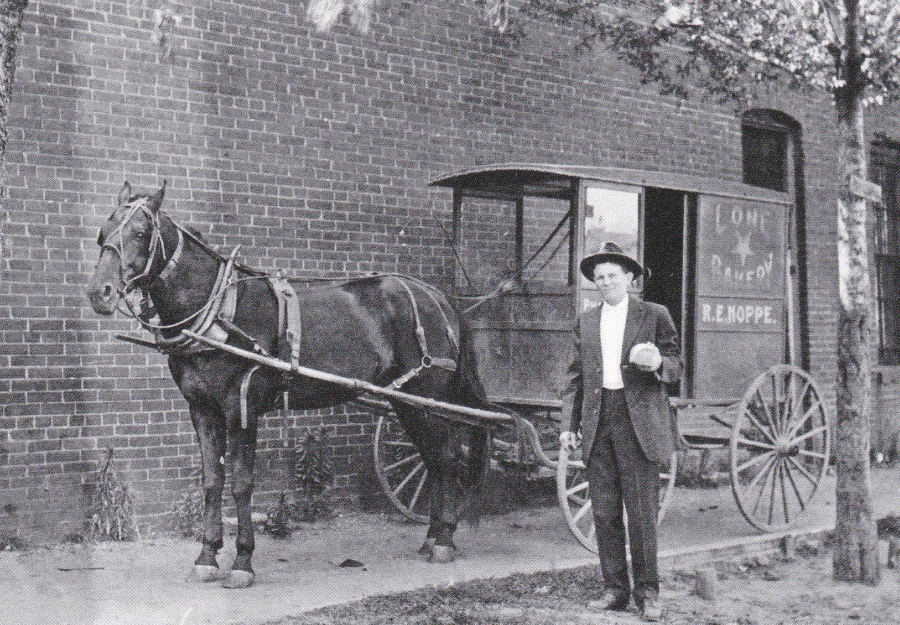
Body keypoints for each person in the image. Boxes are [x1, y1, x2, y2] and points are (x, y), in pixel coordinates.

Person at [560, 241, 683, 622]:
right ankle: (615, 589)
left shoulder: (654, 315)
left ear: (630, 278)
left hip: (638, 423)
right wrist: (568, 427)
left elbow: (678, 366)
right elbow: (575, 379)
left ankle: (648, 593)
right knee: (606, 511)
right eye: (599, 277)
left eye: (613, 275)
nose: (606, 282)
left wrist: (658, 361)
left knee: (641, 512)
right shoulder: (586, 320)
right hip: (598, 421)